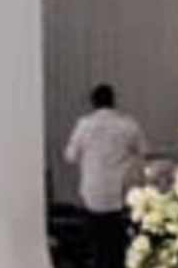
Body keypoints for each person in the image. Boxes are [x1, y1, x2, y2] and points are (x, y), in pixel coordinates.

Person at [62, 82, 147, 215]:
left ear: (93, 102)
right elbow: (144, 151)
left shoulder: (84, 125)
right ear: (113, 101)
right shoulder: (128, 124)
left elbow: (70, 156)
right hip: (120, 192)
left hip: (92, 192)